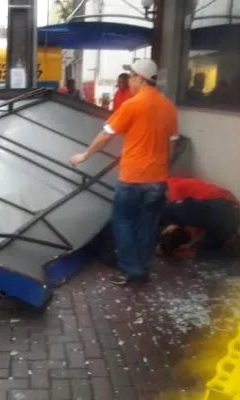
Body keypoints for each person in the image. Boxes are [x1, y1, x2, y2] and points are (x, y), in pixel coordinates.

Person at [69, 59, 178, 285]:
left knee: (123, 220)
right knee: (147, 223)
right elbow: (173, 143)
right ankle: (143, 265)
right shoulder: (169, 107)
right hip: (157, 179)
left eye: (131, 77)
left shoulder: (132, 104)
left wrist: (84, 156)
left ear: (140, 78)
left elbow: (106, 135)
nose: (128, 81)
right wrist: (163, 167)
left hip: (132, 177)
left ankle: (133, 270)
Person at [158, 176, 240, 258]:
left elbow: (175, 212)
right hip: (233, 219)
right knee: (199, 250)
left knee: (162, 212)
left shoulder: (172, 185)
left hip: (223, 206)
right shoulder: (188, 193)